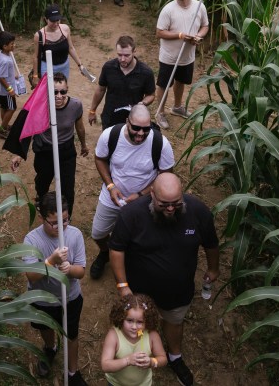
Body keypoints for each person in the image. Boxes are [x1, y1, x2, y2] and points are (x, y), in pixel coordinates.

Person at [109, 172, 220, 386]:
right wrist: (123, 286)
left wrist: (214, 268)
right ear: (152, 195)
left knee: (174, 321)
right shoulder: (131, 214)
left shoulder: (198, 211)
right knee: (138, 324)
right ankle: (138, 354)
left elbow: (211, 243)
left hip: (178, 290)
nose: (170, 209)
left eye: (176, 203)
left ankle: (175, 356)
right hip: (139, 291)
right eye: (164, 204)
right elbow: (116, 249)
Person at [90, 104, 174, 280]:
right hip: (112, 195)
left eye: (146, 129)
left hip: (143, 201)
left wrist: (142, 194)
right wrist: (111, 186)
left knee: (142, 238)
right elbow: (100, 159)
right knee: (98, 233)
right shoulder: (111, 135)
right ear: (127, 122)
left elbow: (166, 175)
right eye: (136, 128)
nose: (141, 134)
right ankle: (105, 252)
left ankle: (131, 262)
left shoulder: (160, 143)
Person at [23, 193, 88, 386]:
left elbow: (81, 271)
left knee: (72, 334)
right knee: (45, 327)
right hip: (42, 298)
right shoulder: (31, 241)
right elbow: (31, 276)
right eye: (54, 223)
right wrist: (51, 262)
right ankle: (50, 348)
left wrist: (70, 269)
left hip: (70, 297)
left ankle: (73, 371)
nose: (61, 227)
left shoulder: (75, 235)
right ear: (41, 218)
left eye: (65, 220)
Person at [11, 73, 89, 216]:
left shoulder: (75, 105)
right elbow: (29, 129)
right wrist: (19, 155)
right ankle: (42, 203)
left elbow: (80, 127)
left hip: (66, 151)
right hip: (45, 151)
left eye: (63, 92)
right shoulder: (40, 106)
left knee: (67, 188)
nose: (59, 96)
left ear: (67, 89)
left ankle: (66, 218)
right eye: (54, 92)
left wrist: (83, 145)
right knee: (42, 183)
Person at [153, 0, 209, 129]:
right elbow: (159, 32)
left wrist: (198, 36)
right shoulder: (168, 10)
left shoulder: (199, 7)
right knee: (164, 84)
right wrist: (180, 35)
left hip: (187, 57)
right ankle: (160, 113)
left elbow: (205, 26)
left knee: (181, 81)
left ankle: (177, 107)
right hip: (169, 57)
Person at [88, 35, 155, 128]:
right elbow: (101, 89)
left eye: (127, 55)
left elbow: (151, 95)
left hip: (133, 120)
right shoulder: (108, 67)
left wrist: (142, 104)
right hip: (110, 117)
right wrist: (92, 111)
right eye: (119, 55)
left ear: (134, 52)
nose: (122, 59)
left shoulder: (146, 73)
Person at [101, 294, 166, 386]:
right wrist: (127, 360)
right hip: (116, 384)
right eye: (129, 320)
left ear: (147, 321)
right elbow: (105, 365)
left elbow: (163, 359)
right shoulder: (114, 335)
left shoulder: (152, 335)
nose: (134, 327)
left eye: (140, 322)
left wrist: (152, 362)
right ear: (121, 318)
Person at [31, 4, 85, 84]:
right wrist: (35, 76)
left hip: (64, 67)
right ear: (46, 19)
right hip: (47, 68)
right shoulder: (39, 35)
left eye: (58, 20)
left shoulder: (65, 29)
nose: (56, 23)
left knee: (61, 91)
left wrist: (80, 65)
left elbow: (71, 48)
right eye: (52, 21)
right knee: (48, 93)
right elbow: (36, 57)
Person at [0, 31, 18, 139]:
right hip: (5, 91)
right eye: (12, 44)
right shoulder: (6, 61)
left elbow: (2, 73)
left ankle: (4, 125)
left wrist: (13, 76)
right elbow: (1, 77)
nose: (14, 45)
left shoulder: (1, 54)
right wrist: (10, 89)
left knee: (5, 107)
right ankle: (2, 130)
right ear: (4, 46)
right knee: (12, 108)